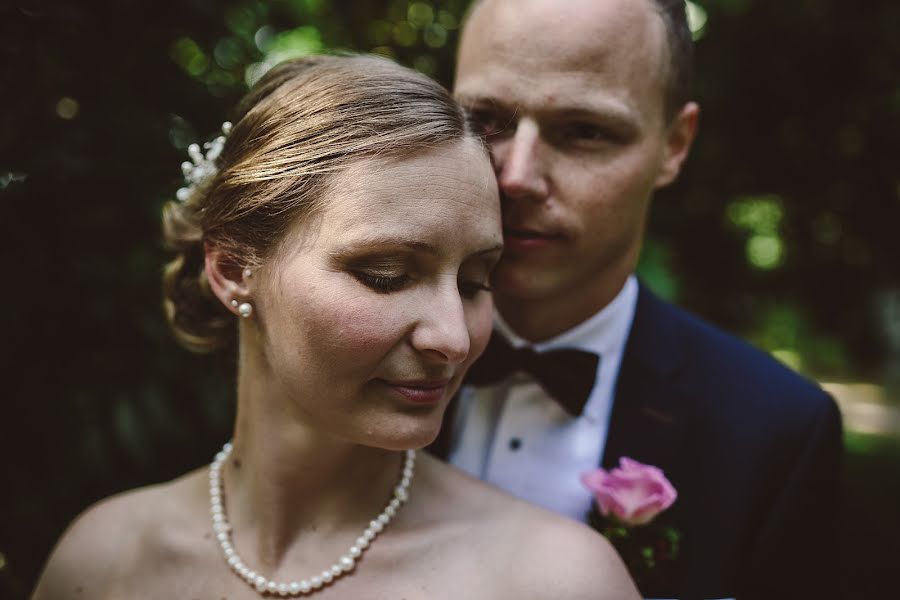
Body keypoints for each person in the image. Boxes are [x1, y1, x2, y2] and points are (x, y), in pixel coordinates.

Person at [31, 55, 639, 599]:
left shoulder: (557, 580)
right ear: (232, 269)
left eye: (475, 282)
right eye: (386, 274)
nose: (454, 338)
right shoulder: (102, 562)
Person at [434, 1, 844, 598]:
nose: (516, 175)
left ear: (675, 145)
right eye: (486, 120)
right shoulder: (344, 362)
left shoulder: (776, 434)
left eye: (585, 131)